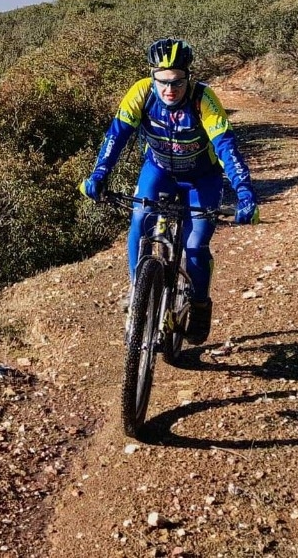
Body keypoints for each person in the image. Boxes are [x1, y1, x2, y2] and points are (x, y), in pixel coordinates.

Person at [79, 38, 259, 344]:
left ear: (188, 76)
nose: (169, 90)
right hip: (159, 169)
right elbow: (116, 135)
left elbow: (226, 146)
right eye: (162, 82)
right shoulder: (141, 93)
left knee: (195, 245)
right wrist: (99, 174)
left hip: (202, 177)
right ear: (152, 77)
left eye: (176, 82)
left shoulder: (204, 98)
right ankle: (139, 297)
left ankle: (200, 304)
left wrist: (245, 193)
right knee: (140, 218)